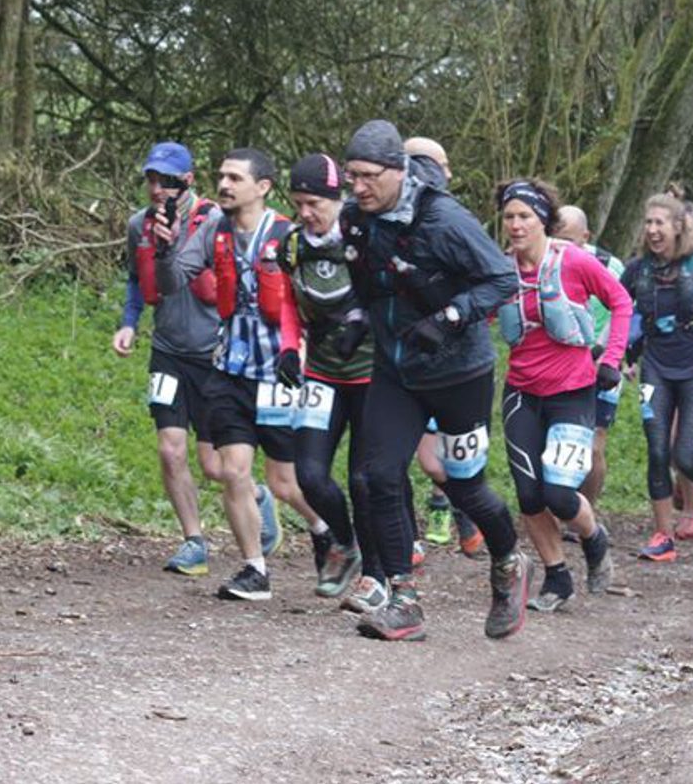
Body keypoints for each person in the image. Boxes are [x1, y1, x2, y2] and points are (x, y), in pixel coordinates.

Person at [339, 120, 528, 641]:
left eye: (368, 176)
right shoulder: (356, 219)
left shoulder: (445, 220)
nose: (357, 187)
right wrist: (356, 320)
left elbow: (501, 279)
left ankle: (509, 562)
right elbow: (366, 286)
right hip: (396, 369)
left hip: (460, 371)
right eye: (351, 176)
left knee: (464, 486)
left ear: (398, 171)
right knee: (376, 476)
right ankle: (403, 599)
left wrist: (447, 319)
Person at [156, 148, 324, 602]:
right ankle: (255, 569)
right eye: (221, 176)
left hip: (281, 369)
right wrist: (165, 247)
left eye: (234, 178)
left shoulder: (290, 235)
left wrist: (308, 350)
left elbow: (315, 300)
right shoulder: (213, 230)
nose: (224, 185)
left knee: (287, 482)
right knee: (232, 471)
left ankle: (328, 531)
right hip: (229, 365)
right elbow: (172, 282)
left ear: (263, 187)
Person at [114, 142, 281, 576]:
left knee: (216, 467)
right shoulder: (140, 225)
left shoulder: (215, 222)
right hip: (167, 350)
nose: (157, 189)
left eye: (166, 181)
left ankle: (256, 497)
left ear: (187, 181)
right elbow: (138, 280)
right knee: (170, 450)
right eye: (151, 180)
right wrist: (129, 322)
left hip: (213, 354)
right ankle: (193, 541)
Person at [495, 179, 627, 609]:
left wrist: (611, 358)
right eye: (509, 217)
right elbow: (478, 314)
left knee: (558, 493)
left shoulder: (572, 262)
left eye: (524, 217)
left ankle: (594, 536)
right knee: (529, 495)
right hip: (521, 393)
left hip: (572, 392)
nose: (515, 225)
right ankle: (556, 578)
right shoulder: (501, 269)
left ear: (542, 221)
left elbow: (621, 301)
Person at [275, 153, 374, 604]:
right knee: (310, 475)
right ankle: (343, 543)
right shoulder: (293, 246)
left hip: (372, 375)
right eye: (298, 203)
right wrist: (287, 349)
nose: (306, 213)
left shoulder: (366, 237)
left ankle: (380, 572)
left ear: (337, 198)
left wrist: (364, 324)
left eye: (314, 202)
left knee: (364, 479)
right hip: (321, 372)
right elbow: (291, 304)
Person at [620, 191, 693, 562]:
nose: (652, 230)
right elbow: (619, 310)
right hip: (656, 367)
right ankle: (663, 535)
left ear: (679, 227)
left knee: (685, 454)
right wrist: (616, 352)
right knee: (656, 450)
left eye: (659, 223)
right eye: (648, 223)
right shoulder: (636, 270)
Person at [402, 136, 484, 559]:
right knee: (414, 461)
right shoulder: (390, 219)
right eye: (443, 165)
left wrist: (452, 315)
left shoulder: (457, 221)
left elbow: (490, 282)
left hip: (458, 362)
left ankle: (470, 513)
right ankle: (406, 541)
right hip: (405, 362)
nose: (449, 174)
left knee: (452, 463)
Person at [551, 204, 629, 511]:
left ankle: (587, 510)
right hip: (562, 365)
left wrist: (604, 352)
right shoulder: (545, 259)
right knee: (556, 440)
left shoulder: (611, 265)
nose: (563, 244)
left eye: (570, 239)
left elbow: (622, 309)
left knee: (595, 443)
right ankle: (558, 510)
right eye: (557, 236)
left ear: (586, 236)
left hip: (602, 362)